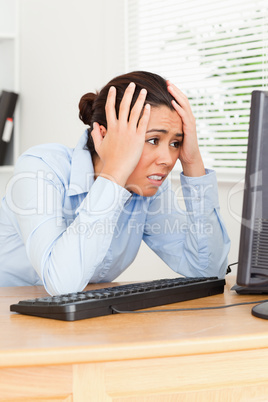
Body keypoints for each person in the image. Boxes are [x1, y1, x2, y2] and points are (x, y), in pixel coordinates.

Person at [0, 71, 230, 295]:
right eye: (153, 140)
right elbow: (61, 284)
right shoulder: (41, 169)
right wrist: (115, 174)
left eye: (175, 143)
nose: (168, 160)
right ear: (102, 133)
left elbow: (208, 272)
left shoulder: (145, 186)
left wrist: (192, 163)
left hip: (80, 322)